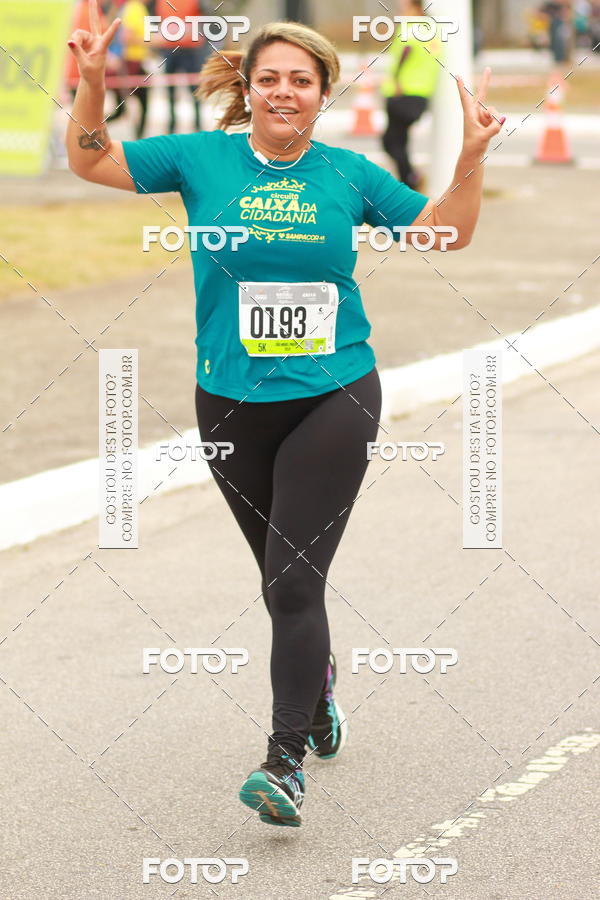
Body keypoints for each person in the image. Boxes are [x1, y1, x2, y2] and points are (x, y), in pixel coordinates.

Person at [66, 2, 504, 827]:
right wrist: (91, 86)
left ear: (322, 93)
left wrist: (472, 158)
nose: (283, 91)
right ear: (249, 87)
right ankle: (320, 691)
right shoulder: (200, 160)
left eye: (300, 80)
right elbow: (91, 163)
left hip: (333, 394)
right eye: (268, 78)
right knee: (280, 584)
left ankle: (284, 763)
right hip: (230, 399)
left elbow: (447, 233)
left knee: (295, 581)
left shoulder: (350, 176)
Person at [381, 0, 443, 189]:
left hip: (402, 92)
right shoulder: (434, 31)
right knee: (399, 140)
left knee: (391, 141)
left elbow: (405, 52)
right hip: (422, 93)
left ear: (416, 7)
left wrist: (397, 80)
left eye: (405, 6)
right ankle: (409, 178)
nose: (401, 9)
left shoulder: (411, 29)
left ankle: (409, 180)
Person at [154, 0, 211, 133]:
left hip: (190, 48)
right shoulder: (162, 2)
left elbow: (206, 14)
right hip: (170, 48)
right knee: (170, 89)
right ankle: (171, 125)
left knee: (194, 89)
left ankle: (198, 124)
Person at [106, 0, 151, 139]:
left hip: (134, 63)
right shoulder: (135, 8)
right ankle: (140, 140)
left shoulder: (135, 8)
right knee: (138, 107)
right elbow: (126, 37)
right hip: (132, 64)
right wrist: (153, 40)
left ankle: (139, 139)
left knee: (125, 109)